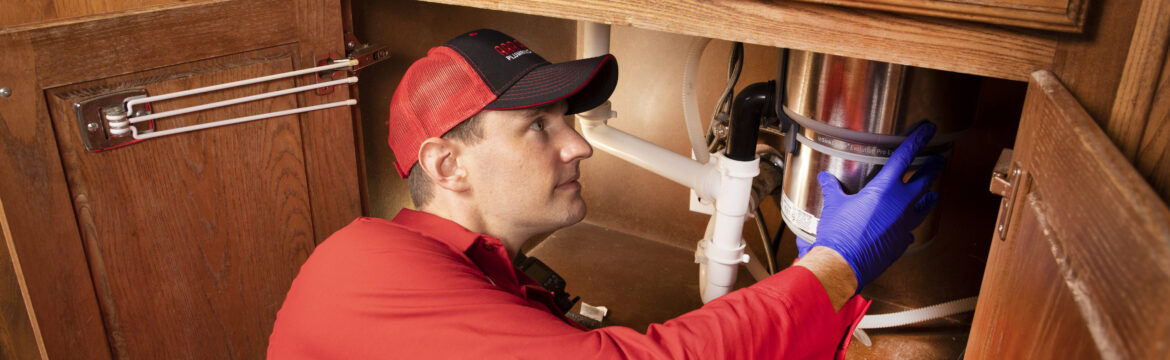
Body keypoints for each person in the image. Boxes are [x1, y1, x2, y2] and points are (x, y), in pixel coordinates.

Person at [267, 29, 942, 359]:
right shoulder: (366, 260)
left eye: (568, 120)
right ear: (449, 164)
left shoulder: (477, 279)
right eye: (540, 126)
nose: (579, 146)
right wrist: (834, 264)